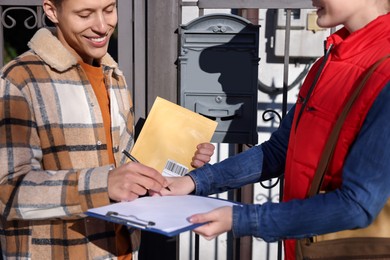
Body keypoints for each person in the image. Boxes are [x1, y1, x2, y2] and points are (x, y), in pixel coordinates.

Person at [161, 0, 390, 259]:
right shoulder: (329, 60)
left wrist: (244, 219)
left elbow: (358, 204)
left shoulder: (384, 71)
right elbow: (280, 150)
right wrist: (194, 181)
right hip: (306, 248)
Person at [0, 0, 215, 259]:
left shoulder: (114, 76)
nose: (102, 26)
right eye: (85, 14)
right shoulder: (18, 80)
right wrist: (103, 184)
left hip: (124, 250)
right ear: (51, 11)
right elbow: (7, 192)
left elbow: (122, 169)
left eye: (109, 9)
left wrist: (178, 161)